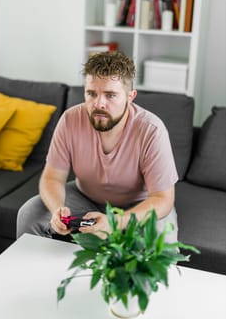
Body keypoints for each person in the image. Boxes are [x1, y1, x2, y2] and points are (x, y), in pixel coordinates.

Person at [17, 51, 178, 242]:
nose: (98, 104)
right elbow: (52, 177)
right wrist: (57, 209)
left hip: (138, 204)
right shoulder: (70, 120)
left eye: (110, 95)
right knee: (29, 214)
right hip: (84, 197)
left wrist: (115, 221)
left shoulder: (152, 130)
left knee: (162, 239)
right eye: (92, 94)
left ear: (130, 96)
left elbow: (162, 199)